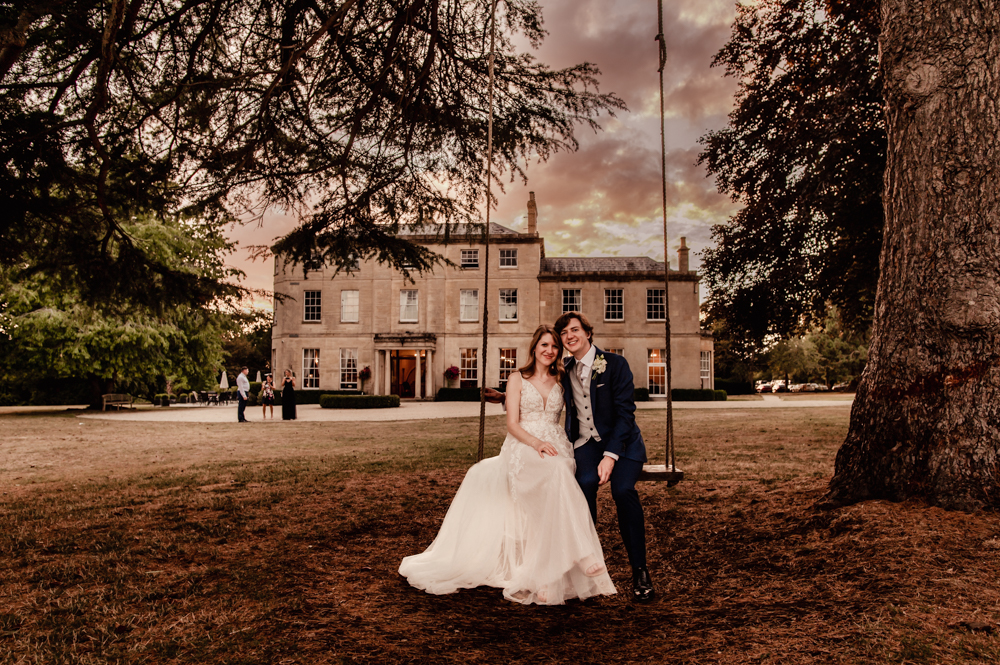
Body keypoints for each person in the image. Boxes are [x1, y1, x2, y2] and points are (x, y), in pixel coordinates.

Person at [399, 325, 615, 606]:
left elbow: (587, 403)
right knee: (558, 472)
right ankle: (581, 554)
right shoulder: (516, 378)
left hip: (557, 446)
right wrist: (536, 443)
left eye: (554, 346)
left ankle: (545, 578)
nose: (550, 351)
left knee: (555, 486)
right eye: (544, 345)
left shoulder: (562, 378)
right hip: (523, 446)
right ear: (534, 348)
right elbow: (512, 423)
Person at [555, 311, 655, 603]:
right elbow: (537, 387)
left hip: (622, 444)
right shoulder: (564, 368)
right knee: (583, 485)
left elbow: (626, 415)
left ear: (588, 333)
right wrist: (505, 396)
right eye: (564, 333)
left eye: (575, 330)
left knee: (622, 490)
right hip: (586, 443)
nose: (569, 336)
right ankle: (587, 566)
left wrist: (611, 455)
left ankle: (640, 570)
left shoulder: (615, 364)